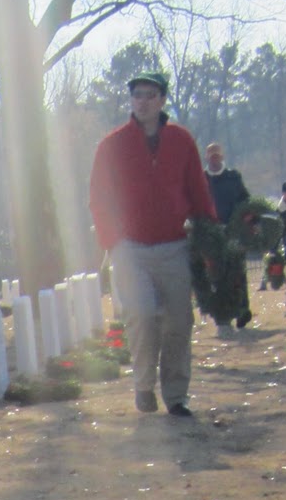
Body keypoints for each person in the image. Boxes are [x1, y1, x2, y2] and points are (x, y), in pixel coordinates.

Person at [88, 70, 217, 417]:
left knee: (179, 321)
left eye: (149, 95)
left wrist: (210, 233)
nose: (142, 102)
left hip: (173, 244)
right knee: (142, 315)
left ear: (162, 100)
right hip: (130, 247)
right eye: (136, 95)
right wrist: (112, 242)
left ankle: (176, 394)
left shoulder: (180, 140)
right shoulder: (112, 145)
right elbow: (99, 197)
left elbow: (197, 190)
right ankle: (144, 385)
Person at [204, 143, 253, 337]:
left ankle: (242, 310)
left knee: (237, 273)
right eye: (212, 156)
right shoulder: (201, 179)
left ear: (222, 157)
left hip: (233, 232)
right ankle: (222, 317)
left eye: (218, 156)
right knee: (215, 275)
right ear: (207, 158)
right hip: (211, 234)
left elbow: (244, 200)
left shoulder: (233, 177)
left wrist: (246, 219)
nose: (215, 159)